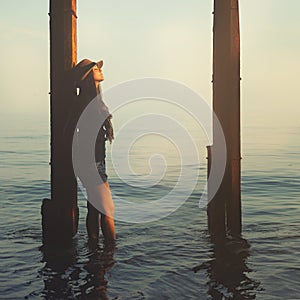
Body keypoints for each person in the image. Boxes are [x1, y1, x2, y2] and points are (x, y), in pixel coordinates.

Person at [70, 58, 116, 243]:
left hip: (95, 161)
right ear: (89, 77)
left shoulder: (94, 101)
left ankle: (94, 251)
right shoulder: (85, 103)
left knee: (95, 209)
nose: (99, 69)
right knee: (108, 210)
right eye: (95, 68)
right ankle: (111, 254)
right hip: (92, 163)